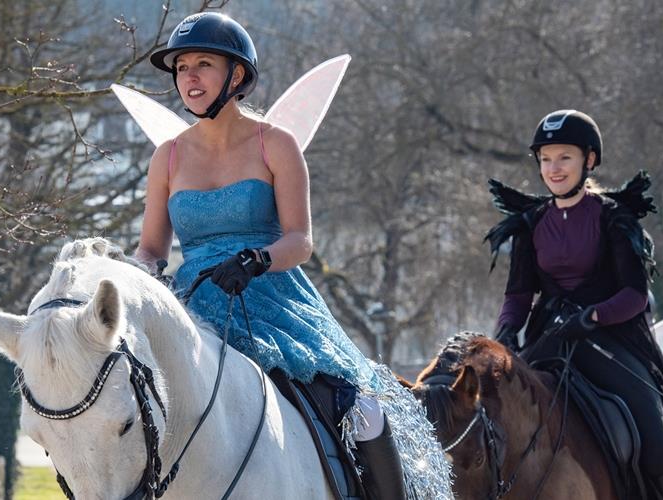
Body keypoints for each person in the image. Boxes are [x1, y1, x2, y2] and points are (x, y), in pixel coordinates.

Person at [134, 12, 450, 500]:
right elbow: (153, 250)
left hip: (272, 294)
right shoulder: (168, 157)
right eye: (181, 68)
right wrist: (133, 280)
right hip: (195, 299)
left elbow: (300, 240)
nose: (189, 77)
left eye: (202, 64)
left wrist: (257, 259)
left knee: (362, 412)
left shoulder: (276, 145)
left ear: (236, 76)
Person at [486, 109, 663, 499]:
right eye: (546, 159)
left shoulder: (614, 217)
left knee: (655, 443)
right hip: (550, 340)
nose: (554, 169)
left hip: (613, 341)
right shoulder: (532, 223)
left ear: (589, 160)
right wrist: (505, 330)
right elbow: (518, 295)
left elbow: (634, 296)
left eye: (564, 158)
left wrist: (591, 316)